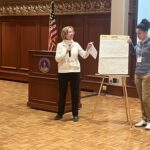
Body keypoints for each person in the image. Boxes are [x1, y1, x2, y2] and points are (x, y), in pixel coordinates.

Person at [54, 26, 93, 122]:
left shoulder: (76, 44)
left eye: (72, 32)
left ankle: (75, 114)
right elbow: (57, 59)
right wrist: (66, 51)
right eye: (69, 32)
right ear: (65, 34)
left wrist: (88, 49)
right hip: (63, 72)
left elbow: (84, 56)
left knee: (75, 94)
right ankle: (60, 113)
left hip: (75, 71)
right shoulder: (60, 45)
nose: (72, 34)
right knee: (62, 93)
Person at [128, 19, 150, 129]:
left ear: (145, 32)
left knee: (146, 98)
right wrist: (131, 44)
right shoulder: (139, 43)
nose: (137, 35)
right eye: (136, 33)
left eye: (139, 33)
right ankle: (144, 119)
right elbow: (134, 53)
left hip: (147, 74)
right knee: (141, 98)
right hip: (138, 74)